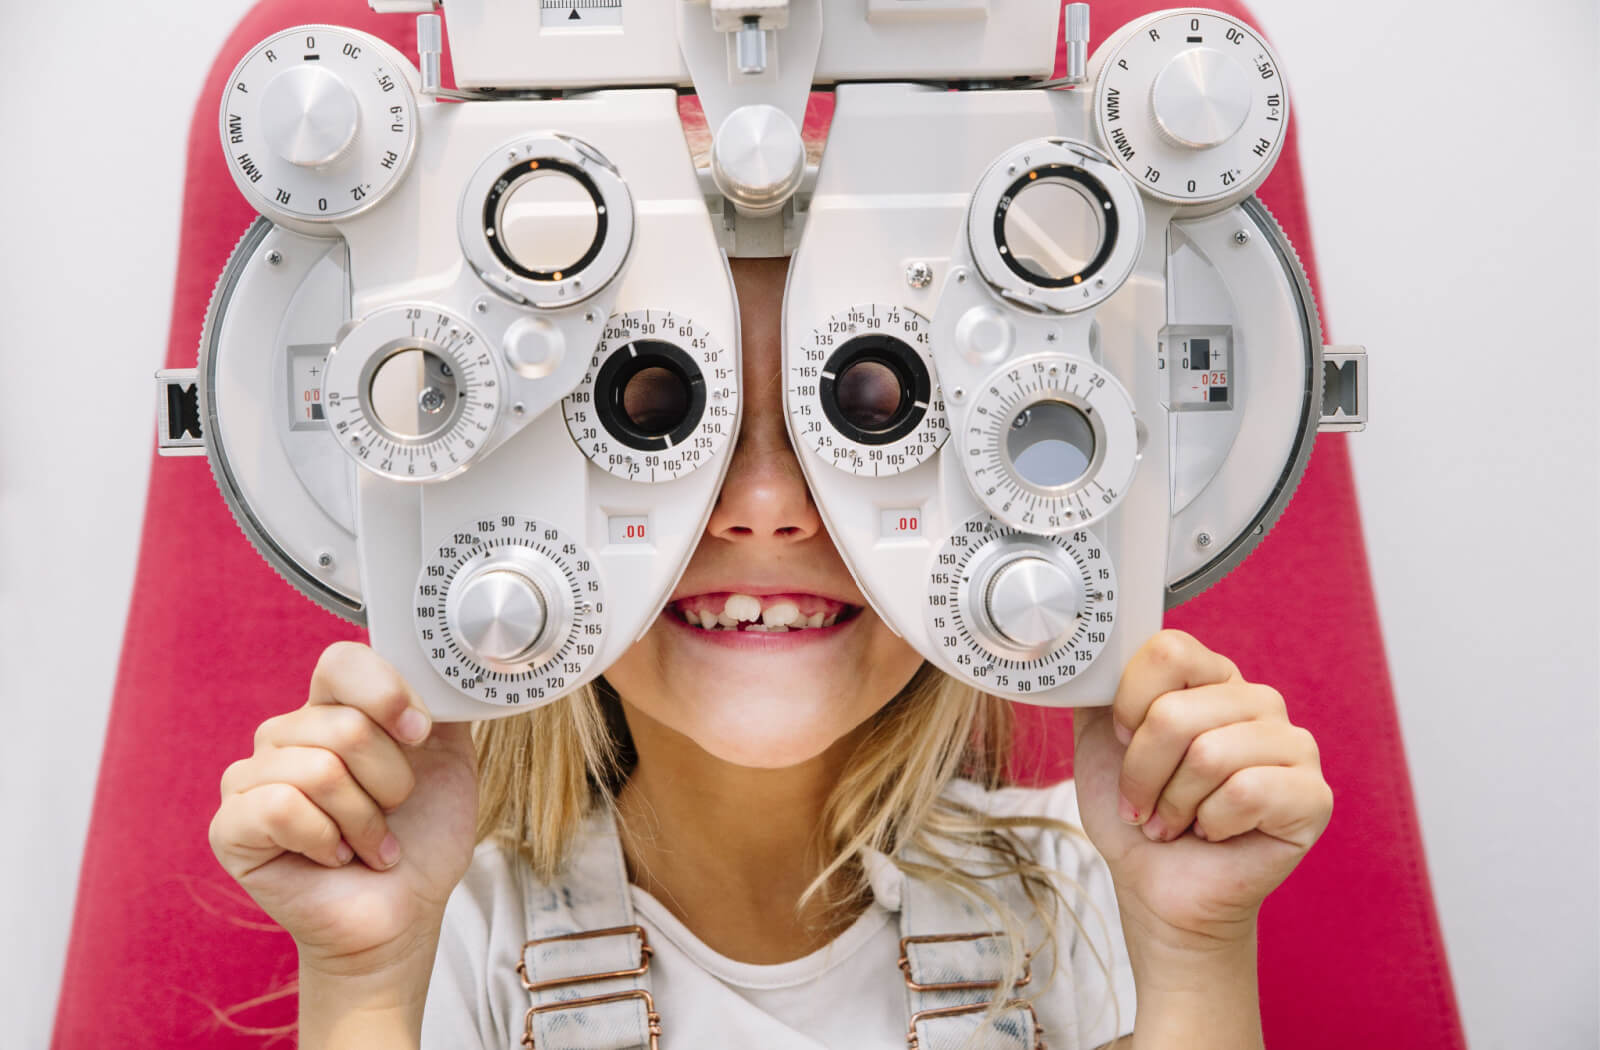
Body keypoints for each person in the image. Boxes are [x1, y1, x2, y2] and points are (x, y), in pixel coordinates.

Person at [208, 254, 1333, 1050]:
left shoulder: (1084, 884)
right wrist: (363, 983)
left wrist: (1192, 949)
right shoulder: (453, 929)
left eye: (864, 410)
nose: (763, 508)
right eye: (655, 412)